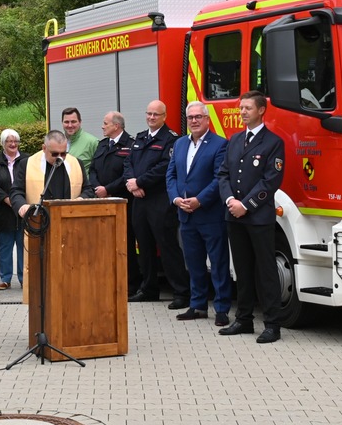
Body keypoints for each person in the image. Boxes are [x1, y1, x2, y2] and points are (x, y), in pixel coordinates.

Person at [217, 91, 287, 344]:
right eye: (241, 108)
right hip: (234, 216)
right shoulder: (235, 140)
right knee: (242, 270)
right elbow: (223, 174)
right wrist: (230, 201)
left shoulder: (273, 142)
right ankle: (244, 319)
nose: (243, 112)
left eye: (248, 108)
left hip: (258, 217)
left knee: (265, 271)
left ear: (261, 110)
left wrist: (246, 205)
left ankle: (272, 324)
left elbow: (271, 180)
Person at [166, 101, 233, 326]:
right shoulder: (180, 143)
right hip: (185, 215)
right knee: (193, 263)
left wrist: (199, 201)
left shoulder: (219, 145)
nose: (194, 121)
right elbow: (171, 175)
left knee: (218, 263)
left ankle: (222, 308)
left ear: (207, 119)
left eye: (198, 117)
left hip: (210, 215)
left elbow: (219, 179)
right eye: (190, 117)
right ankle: (198, 305)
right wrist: (176, 199)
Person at [125, 99, 188, 309]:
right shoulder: (140, 138)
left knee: (167, 246)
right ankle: (149, 289)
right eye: (149, 113)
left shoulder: (171, 140)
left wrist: (140, 182)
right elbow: (128, 163)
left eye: (156, 114)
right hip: (139, 201)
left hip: (159, 201)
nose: (152, 117)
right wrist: (133, 184)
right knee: (143, 247)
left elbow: (165, 167)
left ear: (164, 117)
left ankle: (181, 292)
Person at [88, 111, 138, 295]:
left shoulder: (131, 145)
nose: (102, 126)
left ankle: (130, 285)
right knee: (105, 244)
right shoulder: (102, 145)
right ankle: (108, 281)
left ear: (116, 126)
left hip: (122, 203)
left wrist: (107, 189)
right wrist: (97, 187)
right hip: (101, 201)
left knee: (125, 244)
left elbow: (127, 174)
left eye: (105, 123)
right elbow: (92, 169)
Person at [9, 130, 88, 218]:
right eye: (54, 154)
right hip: (38, 221)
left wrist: (80, 199)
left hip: (70, 220)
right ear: (44, 148)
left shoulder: (76, 163)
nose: (59, 157)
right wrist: (22, 206)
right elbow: (16, 191)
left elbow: (88, 189)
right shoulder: (27, 164)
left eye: (63, 154)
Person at [0, 129, 26, 289]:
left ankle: (25, 278)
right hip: (3, 210)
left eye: (15, 141)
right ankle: (5, 279)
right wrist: (6, 199)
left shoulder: (27, 160)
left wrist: (19, 201)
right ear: (2, 143)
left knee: (23, 245)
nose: (12, 144)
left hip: (24, 209)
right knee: (4, 245)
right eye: (9, 141)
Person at [61, 107, 99, 181]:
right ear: (62, 122)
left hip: (83, 190)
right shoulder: (57, 141)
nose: (70, 125)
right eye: (66, 122)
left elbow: (100, 170)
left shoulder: (92, 142)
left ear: (80, 122)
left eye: (73, 121)